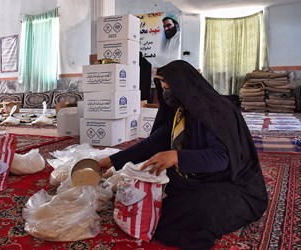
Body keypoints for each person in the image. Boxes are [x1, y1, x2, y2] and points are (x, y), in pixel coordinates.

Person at [99, 60, 268, 249]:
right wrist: (111, 161)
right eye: (163, 89)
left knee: (198, 210)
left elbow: (221, 158)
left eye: (169, 87)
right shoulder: (181, 111)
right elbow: (151, 144)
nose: (166, 94)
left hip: (231, 181)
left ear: (185, 84)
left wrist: (176, 157)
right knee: (153, 192)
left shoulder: (215, 110)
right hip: (197, 175)